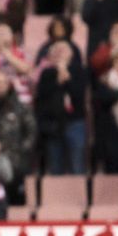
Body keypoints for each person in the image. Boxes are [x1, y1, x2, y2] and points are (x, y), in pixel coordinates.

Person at [35, 40, 88, 176]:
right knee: (55, 166)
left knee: (77, 164)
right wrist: (57, 82)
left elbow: (78, 94)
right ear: (50, 55)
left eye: (63, 50)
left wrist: (67, 77)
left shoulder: (79, 71)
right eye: (56, 50)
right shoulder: (46, 73)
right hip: (53, 124)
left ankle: (79, 189)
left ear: (71, 54)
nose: (60, 53)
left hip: (75, 122)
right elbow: (43, 96)